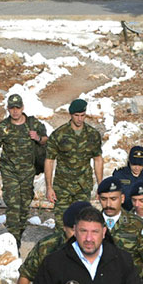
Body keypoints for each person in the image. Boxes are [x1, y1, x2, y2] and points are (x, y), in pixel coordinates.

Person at [0, 93, 48, 250]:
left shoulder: (33, 124)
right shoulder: (3, 128)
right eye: (12, 108)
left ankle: (18, 236)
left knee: (23, 208)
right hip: (10, 173)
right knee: (14, 208)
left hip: (28, 172)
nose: (15, 111)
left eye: (18, 108)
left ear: (23, 108)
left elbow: (47, 140)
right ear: (8, 109)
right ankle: (14, 246)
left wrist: (38, 138)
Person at [45, 98, 103, 231]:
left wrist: (100, 185)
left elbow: (98, 159)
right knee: (61, 225)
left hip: (82, 186)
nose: (80, 119)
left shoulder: (92, 135)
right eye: (76, 115)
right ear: (71, 115)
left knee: (82, 224)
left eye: (82, 115)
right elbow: (49, 160)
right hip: (62, 187)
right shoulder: (59, 135)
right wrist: (49, 187)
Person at [112, 145, 143, 211]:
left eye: (140, 165)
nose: (137, 168)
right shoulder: (119, 175)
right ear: (129, 162)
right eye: (134, 164)